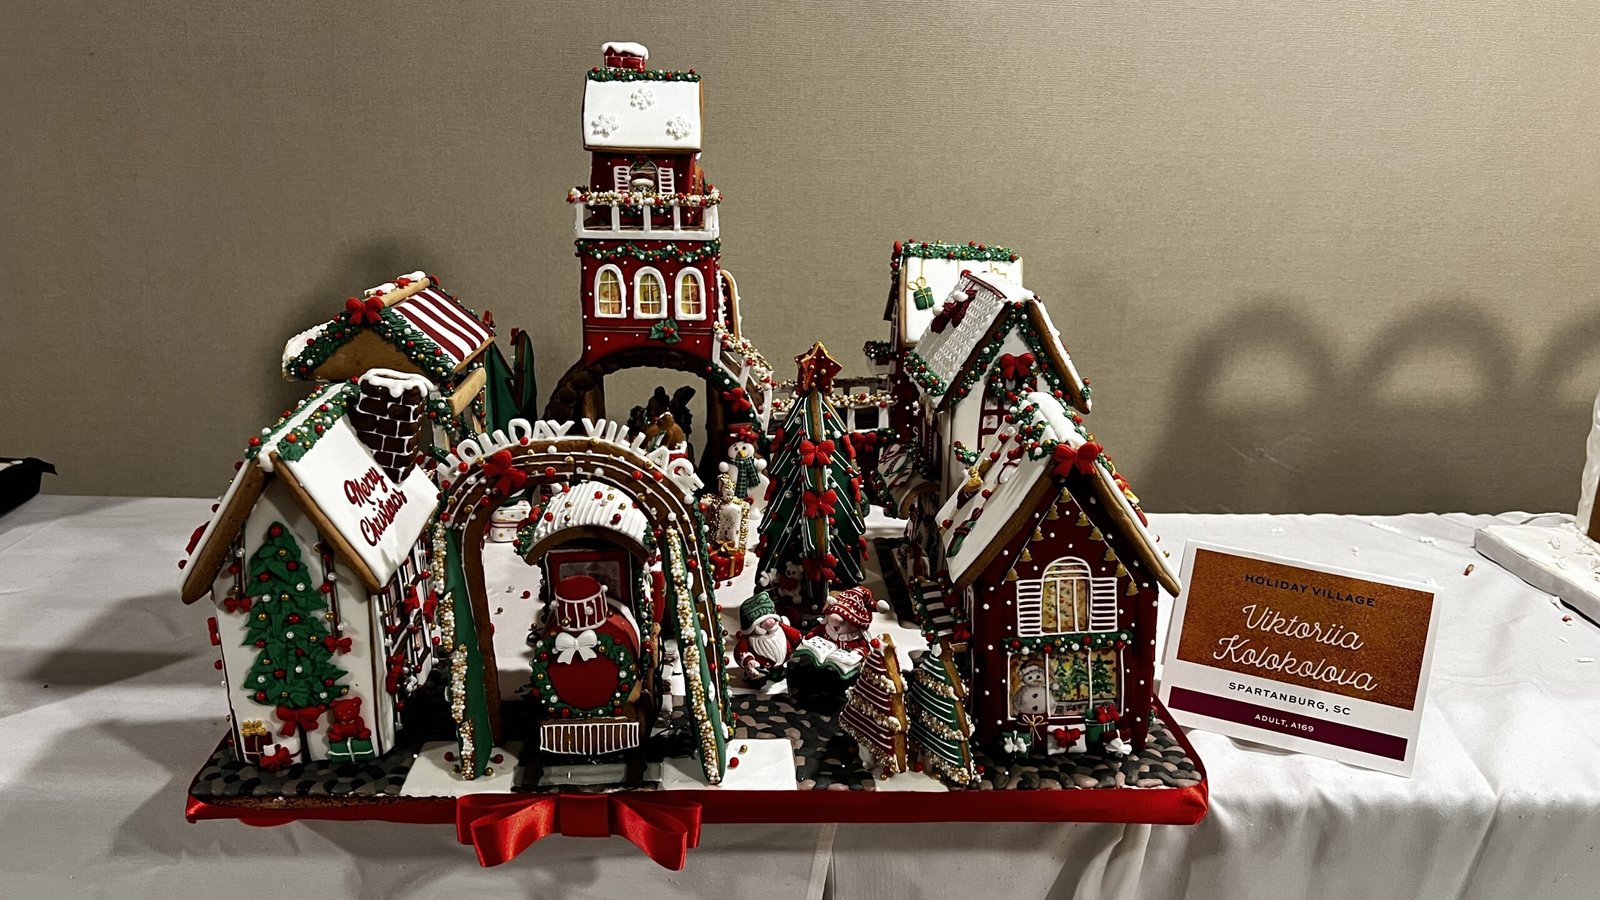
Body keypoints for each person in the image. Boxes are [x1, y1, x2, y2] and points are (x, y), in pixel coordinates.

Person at [733, 592, 800, 686]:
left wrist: (800, 641)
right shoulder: (749, 639)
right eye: (761, 623)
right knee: (758, 676)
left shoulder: (780, 628)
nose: (769, 624)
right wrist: (748, 661)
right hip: (761, 667)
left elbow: (794, 634)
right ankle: (756, 679)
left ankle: (778, 672)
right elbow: (740, 651)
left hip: (780, 663)